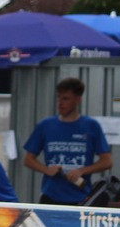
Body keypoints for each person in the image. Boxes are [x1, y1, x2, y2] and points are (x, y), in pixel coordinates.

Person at [22, 77, 111, 205]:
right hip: (50, 196)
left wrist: (81, 171)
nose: (60, 103)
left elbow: (107, 161)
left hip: (80, 197)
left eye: (66, 99)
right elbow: (28, 159)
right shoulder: (45, 125)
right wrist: (46, 169)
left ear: (78, 100)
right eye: (59, 98)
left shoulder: (91, 126)